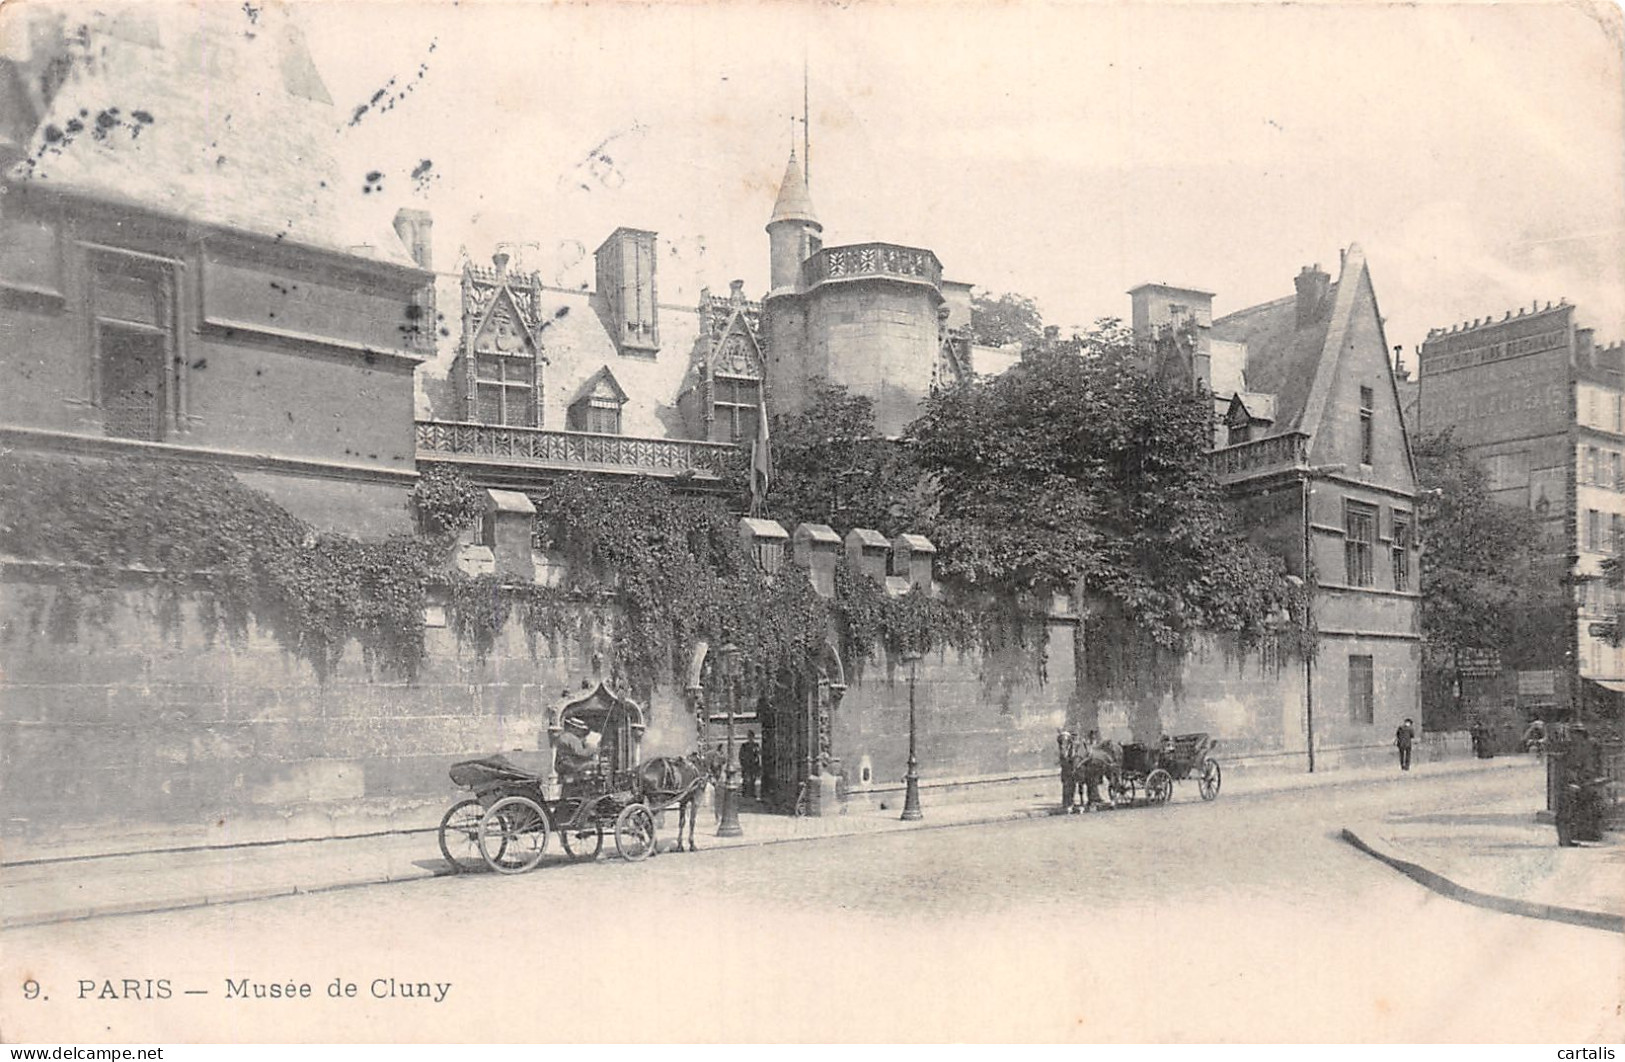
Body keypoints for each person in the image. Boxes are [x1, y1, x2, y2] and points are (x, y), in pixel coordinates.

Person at [1556, 722, 1604, 846]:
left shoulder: (1589, 746)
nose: (1573, 736)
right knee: (1565, 811)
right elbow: (1564, 767)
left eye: (1576, 733)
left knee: (1587, 807)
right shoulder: (1570, 748)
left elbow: (1595, 764)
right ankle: (1565, 839)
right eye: (1572, 733)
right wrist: (1571, 781)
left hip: (1584, 782)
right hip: (1570, 783)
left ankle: (1587, 835)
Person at [555, 716, 600, 787]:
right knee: (595, 764)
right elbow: (582, 753)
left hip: (564, 766)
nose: (582, 732)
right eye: (580, 730)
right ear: (574, 728)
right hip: (572, 766)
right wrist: (592, 745)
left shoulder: (564, 736)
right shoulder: (572, 738)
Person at [1057, 731, 1079, 814]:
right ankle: (1066, 803)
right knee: (1066, 787)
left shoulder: (1072, 749)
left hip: (1071, 770)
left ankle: (1070, 803)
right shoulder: (1063, 750)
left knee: (1071, 787)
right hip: (1066, 771)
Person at [740, 731, 761, 801]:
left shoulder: (756, 745)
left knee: (753, 779)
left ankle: (752, 792)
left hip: (754, 765)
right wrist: (743, 763)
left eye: (752, 737)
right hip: (746, 765)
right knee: (746, 779)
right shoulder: (744, 745)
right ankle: (745, 792)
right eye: (749, 737)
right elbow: (741, 755)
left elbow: (758, 754)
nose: (751, 738)